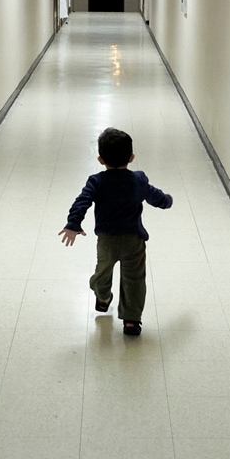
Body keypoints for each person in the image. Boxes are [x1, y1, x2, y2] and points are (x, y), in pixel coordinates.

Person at [59, 128, 173, 336]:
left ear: (101, 160)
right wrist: (167, 201)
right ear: (131, 157)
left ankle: (103, 297)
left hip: (107, 241)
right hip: (133, 240)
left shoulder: (97, 181)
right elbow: (154, 196)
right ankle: (131, 318)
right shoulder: (138, 180)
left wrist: (73, 223)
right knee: (134, 280)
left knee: (101, 274)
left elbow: (81, 202)